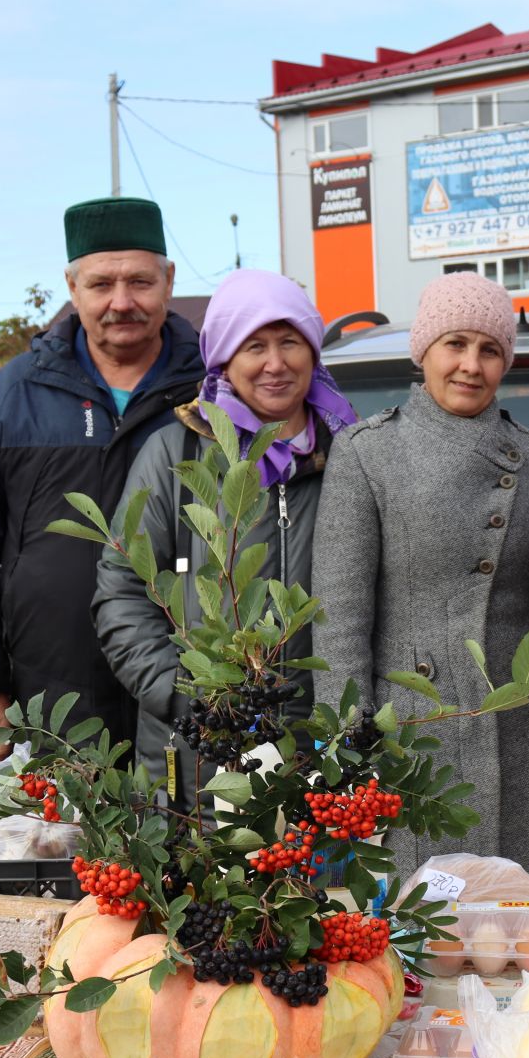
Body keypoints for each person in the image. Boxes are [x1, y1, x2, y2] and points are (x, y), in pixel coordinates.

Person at [312, 273, 529, 890]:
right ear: (423, 351)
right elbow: (340, 617)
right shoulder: (367, 452)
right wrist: (350, 749)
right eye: (455, 344)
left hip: (526, 742)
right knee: (422, 946)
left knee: (528, 942)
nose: (471, 365)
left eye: (490, 350)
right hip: (414, 740)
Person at [0, 197, 204, 758]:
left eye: (140, 281)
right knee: (63, 843)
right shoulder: (17, 393)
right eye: (101, 284)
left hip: (194, 690)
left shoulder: (212, 389)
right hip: (51, 699)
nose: (121, 302)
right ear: (72, 286)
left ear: (169, 280)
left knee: (195, 843)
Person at [93, 269, 356, 794]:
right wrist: (186, 696)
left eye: (290, 342)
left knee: (319, 878)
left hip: (322, 753)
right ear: (224, 359)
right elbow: (123, 591)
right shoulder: (176, 454)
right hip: (201, 754)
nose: (275, 364)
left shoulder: (354, 454)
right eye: (253, 345)